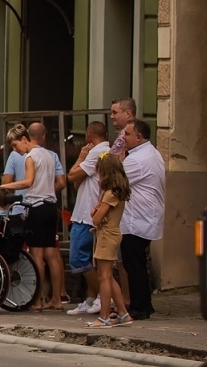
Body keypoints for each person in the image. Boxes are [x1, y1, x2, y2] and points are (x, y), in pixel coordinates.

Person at [4, 124, 66, 309]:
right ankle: (57, 299)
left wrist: (6, 187)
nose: (15, 150)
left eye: (15, 145)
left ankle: (37, 300)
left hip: (37, 207)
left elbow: (29, 181)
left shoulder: (30, 157)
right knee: (52, 255)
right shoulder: (48, 155)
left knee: (36, 255)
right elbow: (59, 181)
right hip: (51, 207)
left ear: (25, 139)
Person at [119, 118, 165, 321]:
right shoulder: (151, 153)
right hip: (145, 216)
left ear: (139, 136)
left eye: (127, 134)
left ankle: (140, 307)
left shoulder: (136, 159)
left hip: (137, 219)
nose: (123, 138)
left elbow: (115, 181)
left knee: (134, 263)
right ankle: (143, 303)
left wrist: (117, 160)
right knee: (137, 262)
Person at [65, 121, 113, 316]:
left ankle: (103, 296)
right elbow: (78, 183)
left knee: (78, 258)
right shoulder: (106, 151)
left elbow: (71, 176)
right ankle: (91, 299)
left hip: (86, 213)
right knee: (89, 260)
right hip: (87, 209)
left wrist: (80, 157)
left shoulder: (95, 153)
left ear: (88, 134)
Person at [86, 152, 130, 329]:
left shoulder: (110, 193)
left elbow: (96, 219)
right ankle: (122, 313)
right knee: (109, 277)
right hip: (110, 233)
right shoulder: (115, 192)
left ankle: (104, 316)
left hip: (107, 235)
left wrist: (97, 214)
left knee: (103, 277)